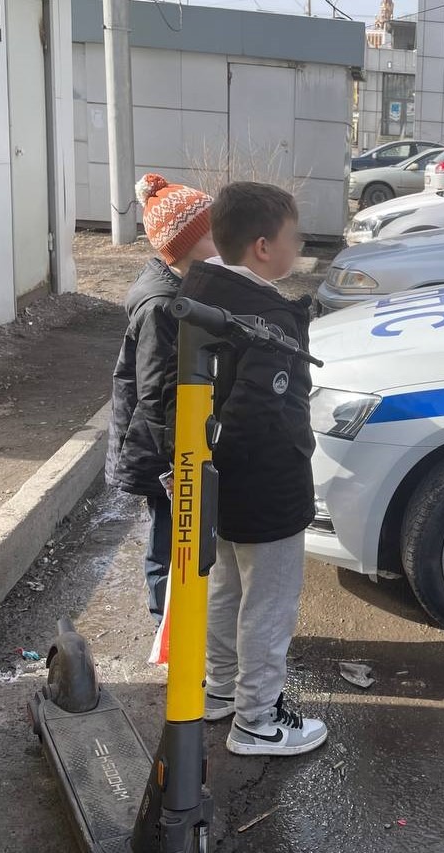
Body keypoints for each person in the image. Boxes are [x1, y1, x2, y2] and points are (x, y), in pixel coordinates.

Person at [176, 182, 326, 757]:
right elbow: (256, 411)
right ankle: (257, 720)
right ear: (264, 246)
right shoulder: (266, 316)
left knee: (228, 588)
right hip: (267, 483)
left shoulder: (201, 290)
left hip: (220, 482)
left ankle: (219, 691)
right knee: (269, 602)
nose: (301, 244)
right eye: (296, 236)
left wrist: (214, 465)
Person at [105, 174, 216, 624]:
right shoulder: (160, 307)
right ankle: (164, 624)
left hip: (176, 443)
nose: (221, 239)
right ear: (184, 244)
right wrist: (177, 463)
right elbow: (155, 394)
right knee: (169, 537)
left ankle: (182, 619)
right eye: (212, 233)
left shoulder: (184, 287)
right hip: (163, 450)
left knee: (181, 534)